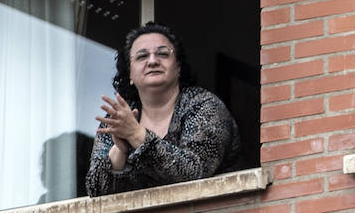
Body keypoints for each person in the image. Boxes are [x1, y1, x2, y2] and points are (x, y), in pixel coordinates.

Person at [86, 22, 241, 196]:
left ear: (178, 68)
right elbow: (95, 190)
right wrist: (120, 151)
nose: (152, 61)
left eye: (162, 54)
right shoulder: (118, 118)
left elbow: (194, 172)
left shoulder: (204, 105)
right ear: (129, 73)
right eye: (142, 56)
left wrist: (137, 136)